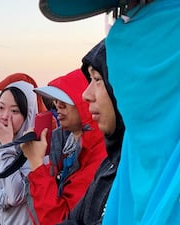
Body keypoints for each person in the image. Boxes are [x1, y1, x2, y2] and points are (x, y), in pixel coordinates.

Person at [39, 0, 180, 224]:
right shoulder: (128, 159)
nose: (117, 36)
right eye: (117, 12)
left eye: (137, 8)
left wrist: (37, 166)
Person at [20, 69, 106, 225]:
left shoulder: (98, 154)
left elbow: (59, 220)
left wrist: (37, 164)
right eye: (55, 100)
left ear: (85, 102)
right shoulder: (68, 145)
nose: (57, 105)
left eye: (65, 100)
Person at [58, 40, 125, 225]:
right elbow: (73, 220)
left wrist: (37, 164)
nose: (85, 95)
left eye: (97, 79)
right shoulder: (112, 161)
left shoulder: (152, 171)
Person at [0, 80, 38, 225]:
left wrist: (7, 144)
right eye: (1, 107)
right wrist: (2, 199)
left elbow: (16, 195)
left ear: (28, 114)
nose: (5, 116)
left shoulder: (37, 146)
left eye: (14, 111)